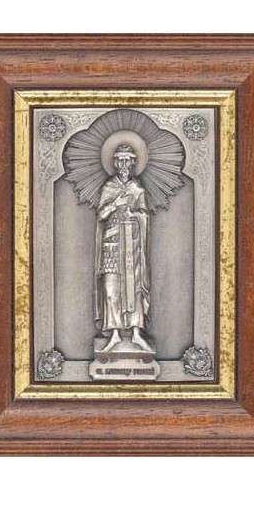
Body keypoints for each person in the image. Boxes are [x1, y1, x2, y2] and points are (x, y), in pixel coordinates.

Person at [94, 144, 152, 352]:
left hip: (132, 246)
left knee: (134, 289)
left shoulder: (137, 189)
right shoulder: (109, 187)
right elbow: (100, 215)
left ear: (133, 162)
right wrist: (115, 204)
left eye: (128, 160)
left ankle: (136, 333)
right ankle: (115, 334)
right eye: (120, 160)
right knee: (111, 290)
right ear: (115, 163)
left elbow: (145, 215)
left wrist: (134, 215)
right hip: (112, 246)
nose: (124, 164)